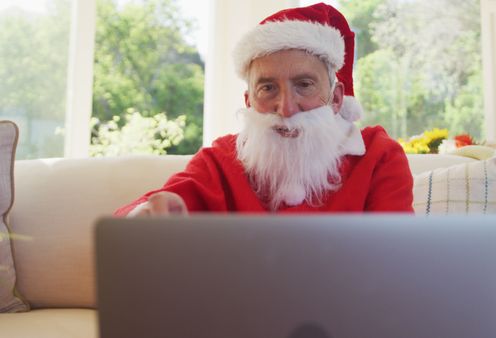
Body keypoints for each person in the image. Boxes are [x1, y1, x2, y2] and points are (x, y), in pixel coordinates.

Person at [114, 2, 413, 217]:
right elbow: (132, 218)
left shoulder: (378, 155)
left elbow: (398, 262)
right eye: (267, 88)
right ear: (249, 102)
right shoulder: (221, 160)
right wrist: (149, 215)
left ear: (336, 98)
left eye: (304, 84)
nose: (285, 108)